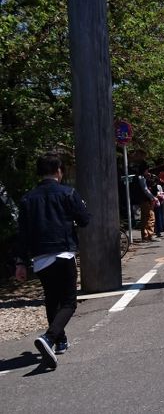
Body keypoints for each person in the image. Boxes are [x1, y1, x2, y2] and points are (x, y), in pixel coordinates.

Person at [14, 152, 90, 369]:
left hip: (40, 258)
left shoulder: (28, 199)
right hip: (63, 252)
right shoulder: (68, 193)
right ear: (59, 171)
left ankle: (60, 341)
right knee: (68, 302)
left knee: (51, 299)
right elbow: (84, 219)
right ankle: (49, 338)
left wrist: (20, 262)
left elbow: (23, 234)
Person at [137, 165, 159, 242]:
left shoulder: (140, 177)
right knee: (151, 216)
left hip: (142, 200)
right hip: (146, 199)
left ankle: (145, 236)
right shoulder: (141, 178)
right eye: (147, 170)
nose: (148, 171)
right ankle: (150, 235)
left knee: (144, 218)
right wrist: (153, 198)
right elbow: (145, 189)